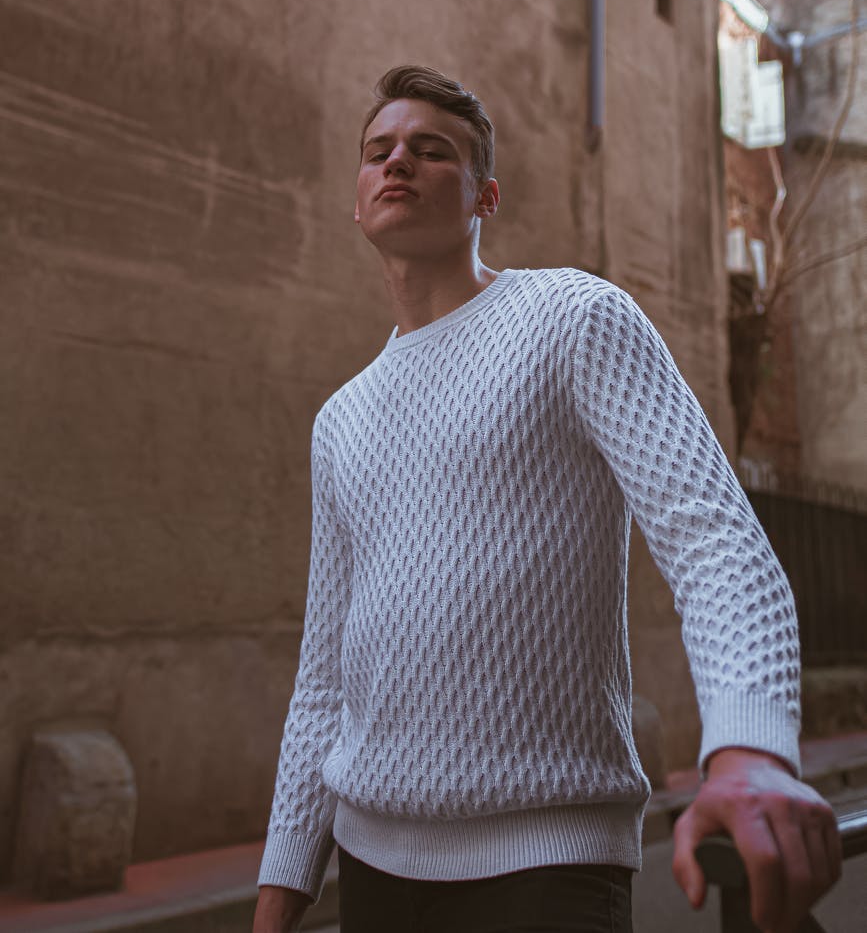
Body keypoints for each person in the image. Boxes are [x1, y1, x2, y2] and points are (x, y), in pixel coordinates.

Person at [254, 66, 841, 933]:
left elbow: (710, 534)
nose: (398, 163)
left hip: (546, 869)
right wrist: (278, 891)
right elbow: (323, 679)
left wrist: (749, 750)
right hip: (370, 869)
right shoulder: (340, 420)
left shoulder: (571, 318)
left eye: (430, 150)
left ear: (483, 195)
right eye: (379, 151)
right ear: (356, 199)